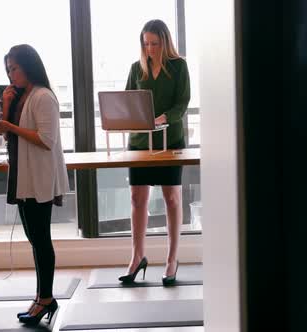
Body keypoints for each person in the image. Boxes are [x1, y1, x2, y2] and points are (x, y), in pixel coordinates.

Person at [0, 44, 69, 325]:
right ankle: (41, 296)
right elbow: (6, 136)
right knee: (35, 240)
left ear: (29, 66)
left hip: (38, 177)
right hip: (25, 176)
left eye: (14, 68)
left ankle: (45, 298)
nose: (11, 75)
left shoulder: (43, 96)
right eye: (8, 70)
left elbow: (46, 140)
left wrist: (10, 127)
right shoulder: (23, 97)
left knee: (40, 240)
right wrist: (7, 106)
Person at [118, 19, 190, 286]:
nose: (150, 48)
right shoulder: (136, 68)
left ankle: (172, 259)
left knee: (171, 198)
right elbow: (126, 100)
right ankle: (137, 257)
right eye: (146, 43)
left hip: (169, 140)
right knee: (137, 198)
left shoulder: (179, 66)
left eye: (155, 43)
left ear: (165, 42)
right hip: (139, 142)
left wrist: (162, 118)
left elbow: (182, 103)